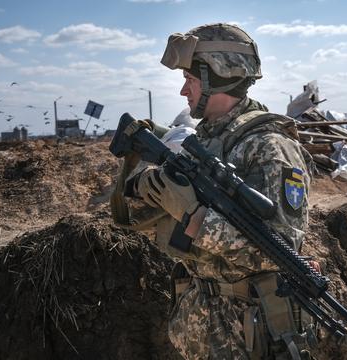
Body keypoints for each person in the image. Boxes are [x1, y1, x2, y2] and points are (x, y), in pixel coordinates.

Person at [126, 23, 314, 359]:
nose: (184, 91)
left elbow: (279, 250)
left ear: (220, 75)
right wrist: (147, 185)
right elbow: (138, 215)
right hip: (203, 322)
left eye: (191, 80)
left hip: (249, 331)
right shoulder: (205, 140)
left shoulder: (269, 147)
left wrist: (194, 217)